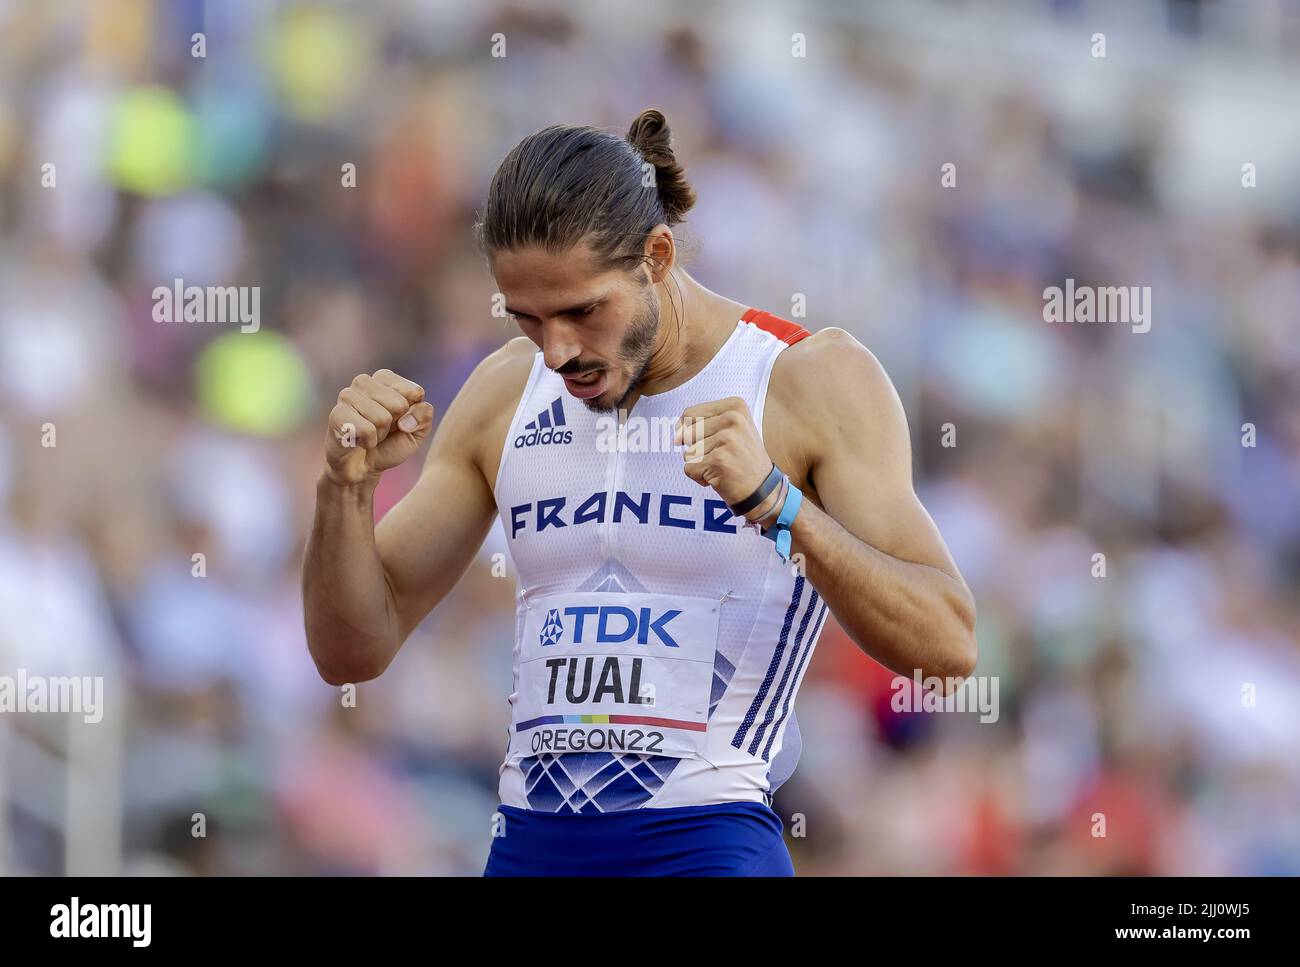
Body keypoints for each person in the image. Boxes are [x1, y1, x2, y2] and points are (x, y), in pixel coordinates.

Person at [302, 109, 977, 876]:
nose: (558, 352)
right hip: (528, 847)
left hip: (706, 842)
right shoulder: (501, 395)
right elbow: (349, 649)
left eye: (583, 312)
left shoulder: (803, 379)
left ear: (657, 256)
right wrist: (343, 492)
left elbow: (947, 644)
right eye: (528, 318)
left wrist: (779, 505)